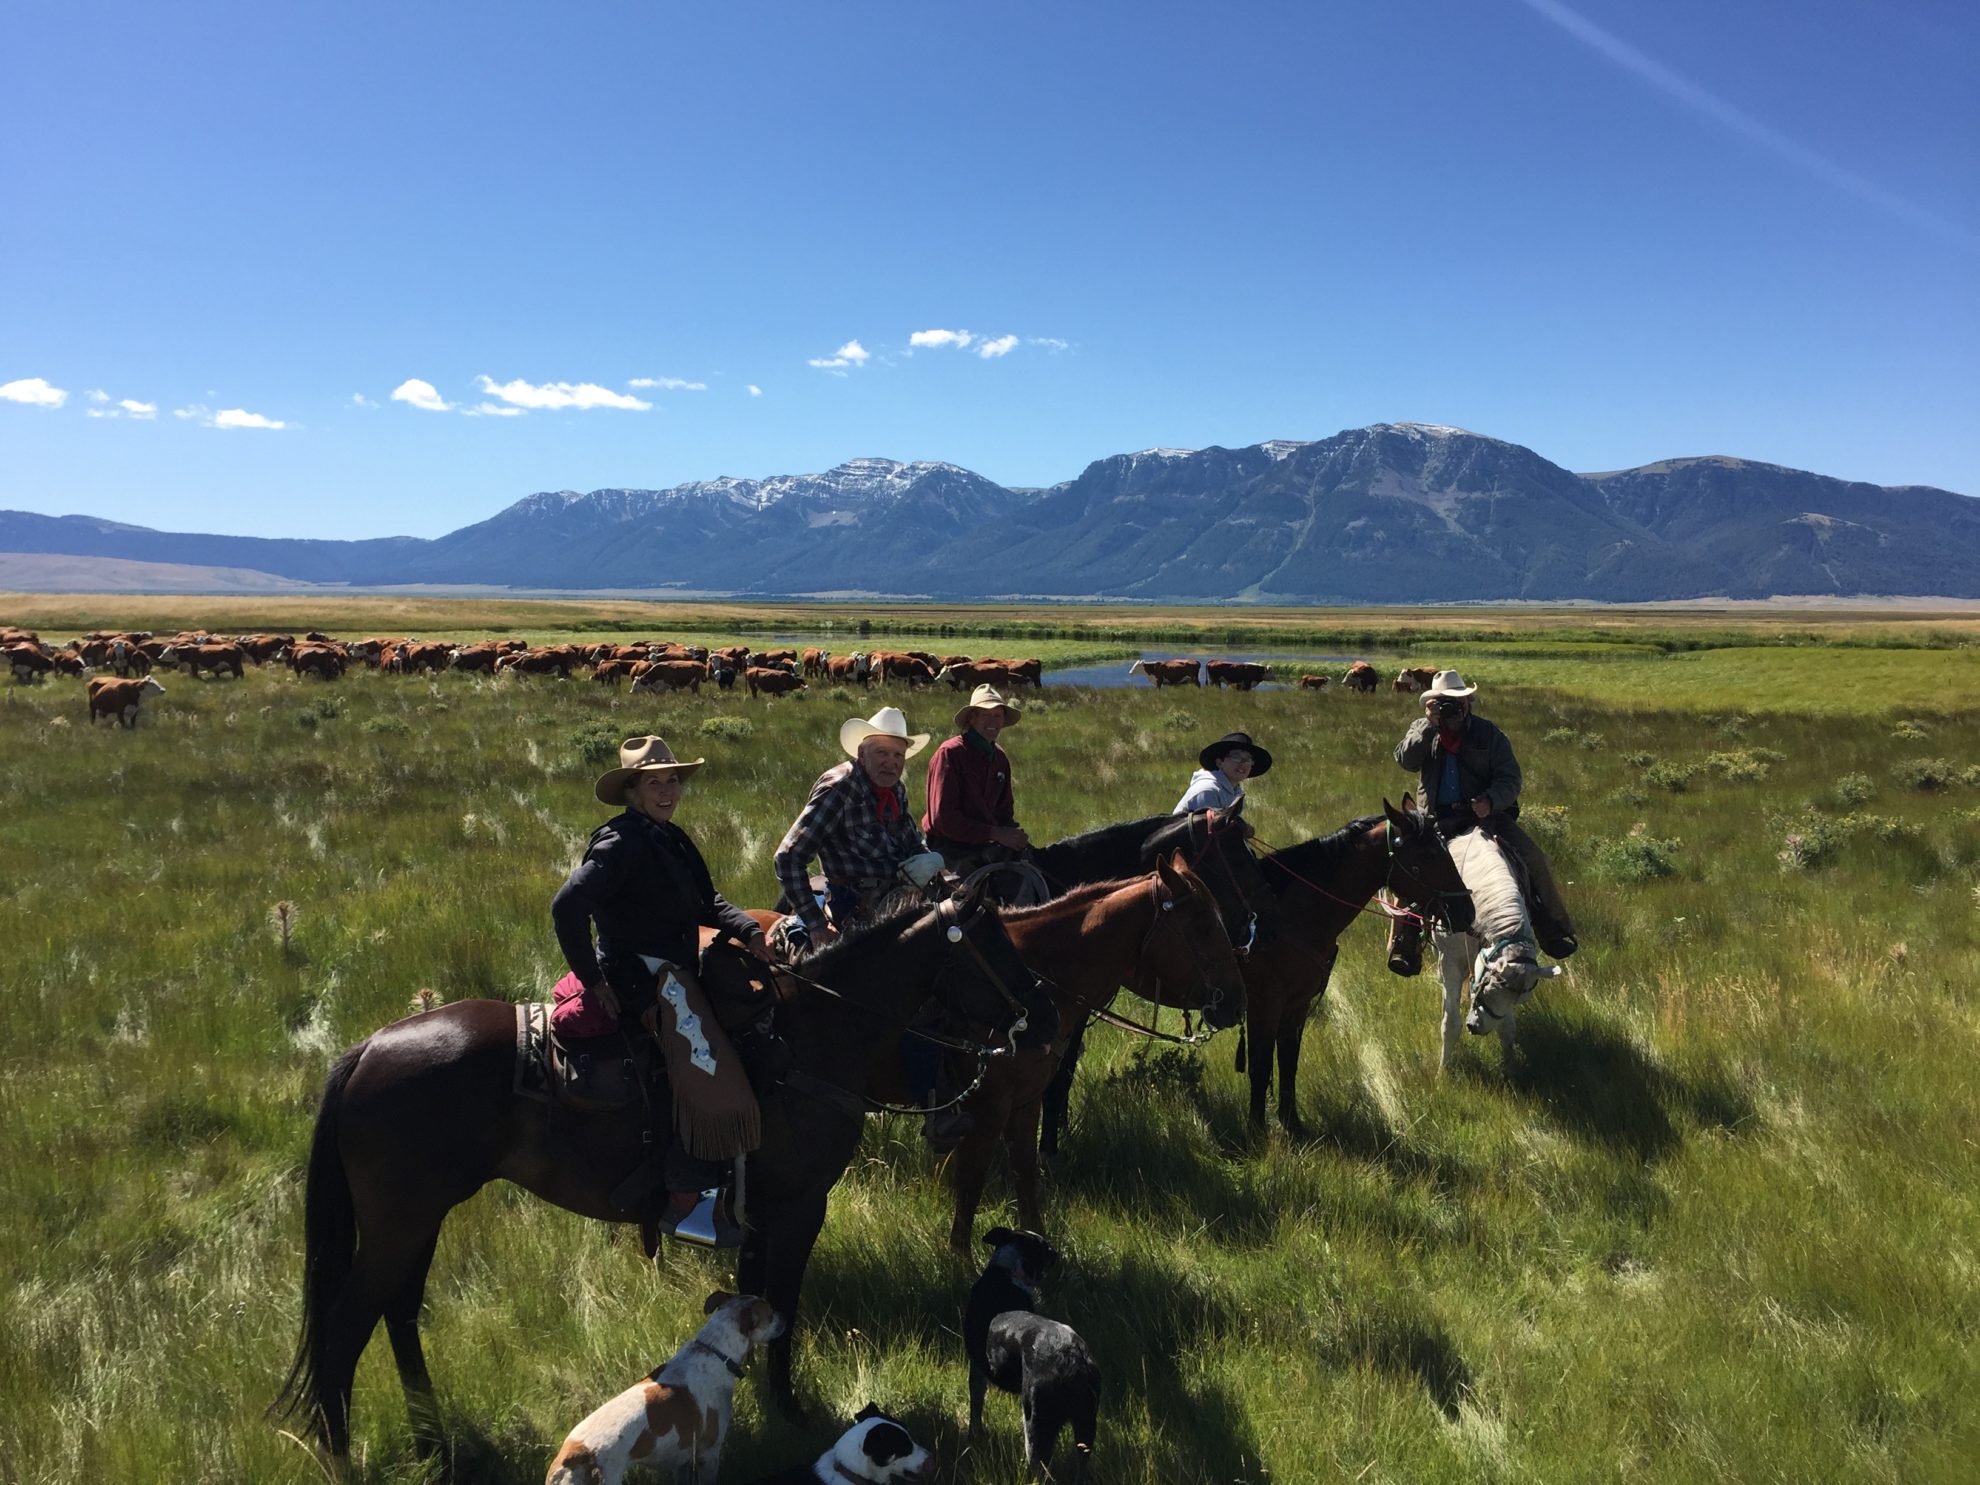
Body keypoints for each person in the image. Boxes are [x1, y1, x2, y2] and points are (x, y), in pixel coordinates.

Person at [552, 736, 774, 1245]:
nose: (667, 789)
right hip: (639, 975)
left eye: (673, 779)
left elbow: (706, 900)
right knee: (706, 1069)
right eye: (655, 781)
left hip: (674, 966)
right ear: (633, 790)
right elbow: (567, 907)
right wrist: (595, 981)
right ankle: (685, 1204)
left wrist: (749, 929)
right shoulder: (622, 842)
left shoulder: (669, 837)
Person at [1392, 670, 1577, 962]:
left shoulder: (1488, 733)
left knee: (1533, 858)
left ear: (1468, 702)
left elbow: (1510, 777)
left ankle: (1553, 927)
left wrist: (1491, 801)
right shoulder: (1423, 729)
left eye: (1456, 701)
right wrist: (1428, 725)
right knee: (1411, 872)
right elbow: (1405, 760)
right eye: (1444, 702)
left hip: (1484, 818)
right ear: (1433, 705)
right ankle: (1407, 944)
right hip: (1435, 820)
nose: (1451, 708)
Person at [773, 705, 947, 945]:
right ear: (862, 754)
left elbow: (910, 841)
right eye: (882, 752)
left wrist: (931, 860)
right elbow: (789, 857)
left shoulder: (895, 789)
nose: (891, 762)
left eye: (898, 755)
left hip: (897, 898)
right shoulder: (840, 788)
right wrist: (817, 925)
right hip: (852, 905)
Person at [924, 684, 1030, 877]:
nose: (993, 721)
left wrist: (1013, 835)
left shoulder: (999, 758)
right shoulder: (950, 754)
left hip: (982, 843)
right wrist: (995, 834)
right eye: (986, 715)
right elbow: (944, 819)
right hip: (948, 848)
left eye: (997, 715)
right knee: (972, 895)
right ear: (972, 719)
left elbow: (1004, 811)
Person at [1174, 731, 1271, 814]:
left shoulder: (1236, 791)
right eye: (1236, 757)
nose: (1243, 763)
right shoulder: (1208, 790)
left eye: (1248, 759)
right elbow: (1207, 831)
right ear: (1220, 763)